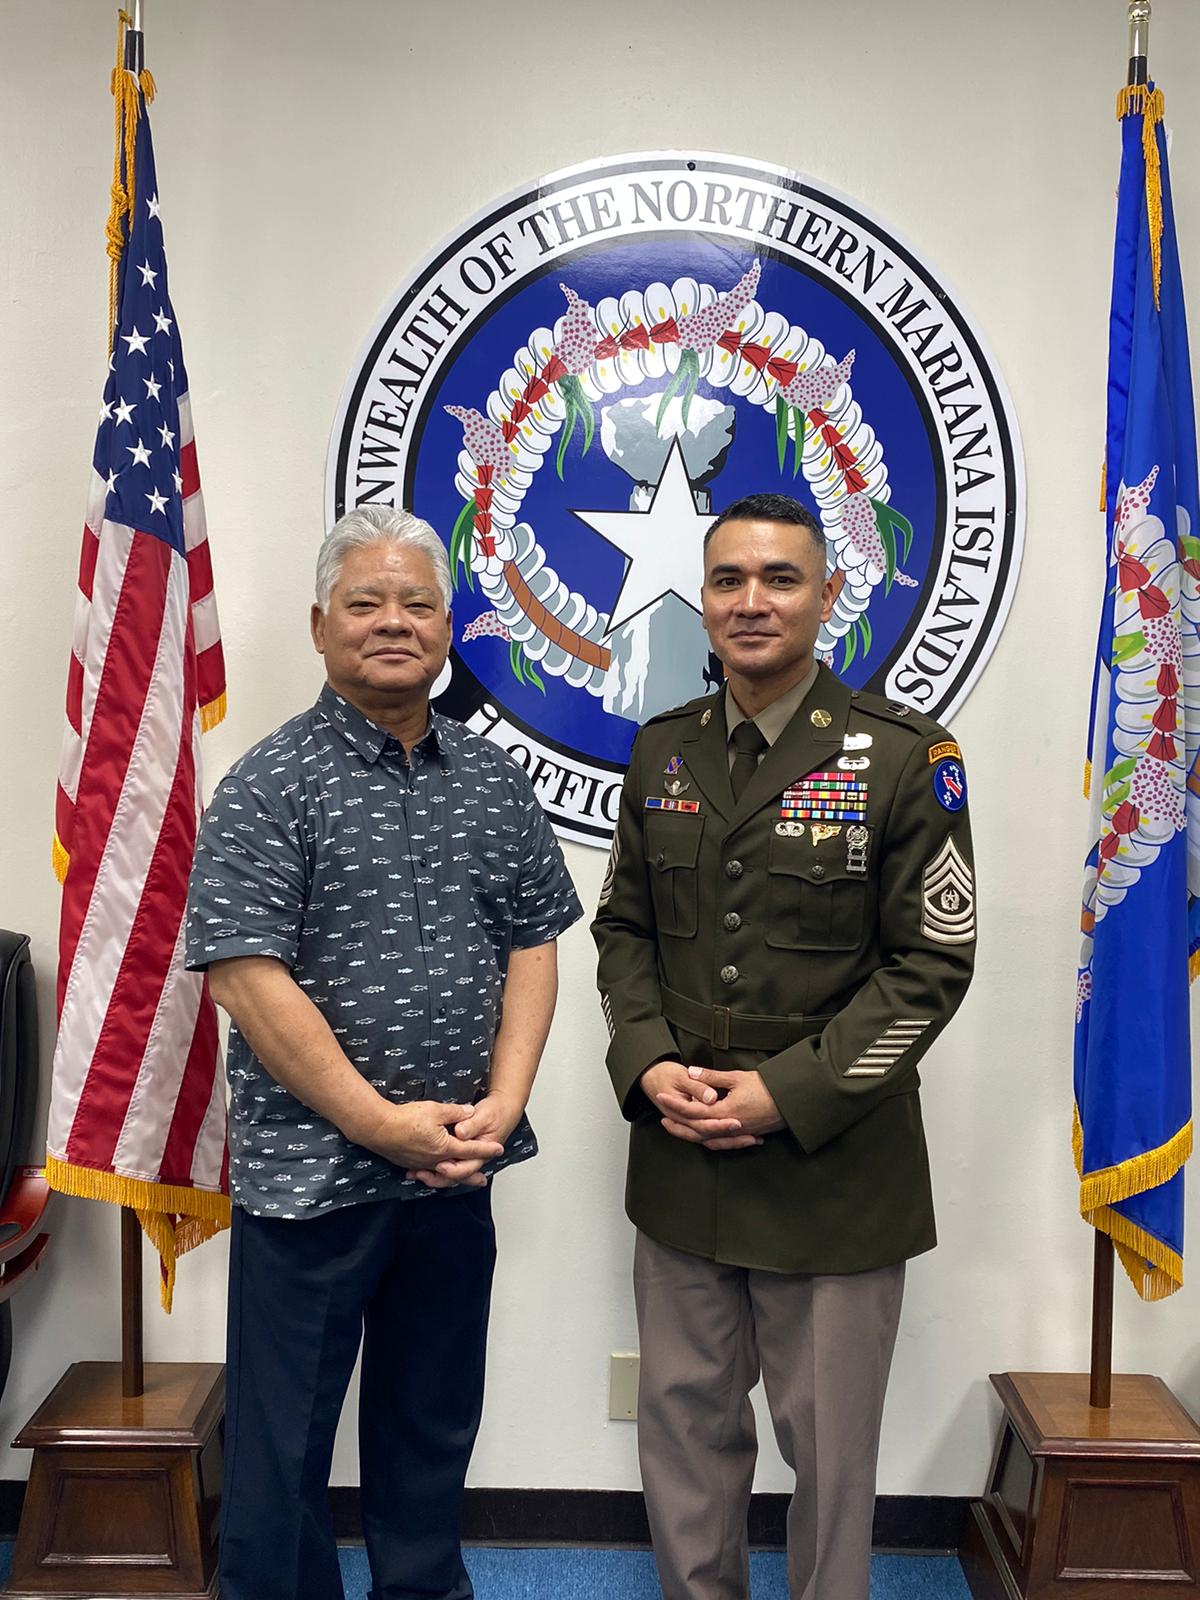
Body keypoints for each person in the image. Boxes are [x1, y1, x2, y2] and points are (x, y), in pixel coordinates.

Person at [186, 505, 582, 1600]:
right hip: (311, 1187)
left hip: (455, 1172)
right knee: (280, 1460)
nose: (392, 622)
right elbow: (244, 977)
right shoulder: (270, 784)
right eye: (366, 602)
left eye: (416, 602)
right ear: (321, 627)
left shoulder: (496, 782)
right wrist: (376, 1123)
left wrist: (501, 1105)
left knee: (431, 1431)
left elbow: (535, 943)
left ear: (449, 626)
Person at [592, 492, 976, 1600]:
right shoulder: (661, 750)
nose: (751, 602)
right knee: (683, 1436)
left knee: (833, 1458)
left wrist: (783, 1094)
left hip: (832, 1166)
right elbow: (625, 930)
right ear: (703, 601)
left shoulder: (906, 757)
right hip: (681, 1161)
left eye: (779, 579)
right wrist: (645, 1060)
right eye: (729, 580)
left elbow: (930, 966)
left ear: (828, 596)